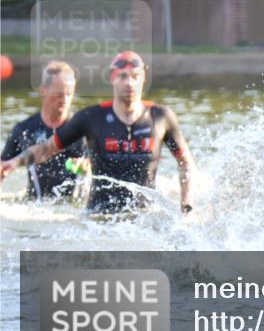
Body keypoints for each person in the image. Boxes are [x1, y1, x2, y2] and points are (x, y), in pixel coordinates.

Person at [1, 52, 195, 215]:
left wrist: (186, 207)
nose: (129, 83)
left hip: (144, 219)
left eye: (135, 76)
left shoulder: (161, 117)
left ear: (144, 78)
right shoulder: (91, 118)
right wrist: (14, 162)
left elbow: (185, 163)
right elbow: (47, 148)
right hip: (97, 218)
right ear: (112, 78)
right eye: (122, 76)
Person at [1, 61, 86, 200]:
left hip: (72, 209)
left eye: (69, 94)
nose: (64, 100)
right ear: (43, 90)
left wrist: (87, 166)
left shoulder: (82, 129)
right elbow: (4, 165)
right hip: (34, 207)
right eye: (59, 94)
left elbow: (98, 166)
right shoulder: (24, 129)